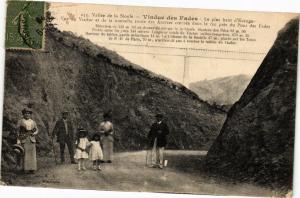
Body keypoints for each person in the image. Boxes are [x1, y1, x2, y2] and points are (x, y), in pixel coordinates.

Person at [16, 108, 38, 173]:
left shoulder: (33, 122)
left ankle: (32, 168)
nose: (27, 114)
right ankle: (25, 169)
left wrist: (34, 133)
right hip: (24, 139)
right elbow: (17, 131)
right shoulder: (20, 121)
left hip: (32, 139)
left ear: (30, 114)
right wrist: (18, 139)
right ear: (23, 114)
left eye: (28, 113)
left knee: (32, 154)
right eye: (25, 113)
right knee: (25, 154)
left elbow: (36, 129)